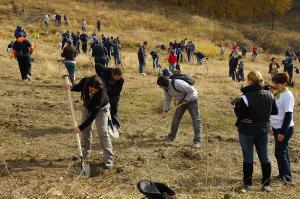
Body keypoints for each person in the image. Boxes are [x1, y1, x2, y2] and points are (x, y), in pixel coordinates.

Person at [233, 71, 278, 192]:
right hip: (263, 129)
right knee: (264, 157)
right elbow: (274, 112)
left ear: (250, 81)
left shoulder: (244, 97)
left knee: (248, 157)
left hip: (247, 130)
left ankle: (248, 184)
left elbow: (240, 115)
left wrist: (236, 107)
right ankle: (266, 184)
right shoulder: (270, 95)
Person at [66, 75, 115, 169]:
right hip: (87, 106)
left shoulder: (101, 95)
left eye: (94, 90)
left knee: (102, 132)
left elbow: (92, 116)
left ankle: (109, 159)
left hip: (101, 109)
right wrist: (71, 87)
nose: (92, 91)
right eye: (91, 89)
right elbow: (77, 87)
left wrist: (80, 127)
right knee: (86, 130)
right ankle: (84, 153)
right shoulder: (85, 81)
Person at [157, 76, 202, 148]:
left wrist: (186, 100)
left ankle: (197, 141)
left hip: (192, 99)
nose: (160, 87)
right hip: (181, 101)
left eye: (160, 86)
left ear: (165, 84)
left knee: (195, 120)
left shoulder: (177, 84)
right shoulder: (166, 89)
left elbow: (191, 90)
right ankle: (171, 137)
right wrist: (165, 111)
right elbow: (167, 100)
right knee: (176, 119)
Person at [270, 73, 295, 183]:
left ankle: (286, 177)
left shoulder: (287, 95)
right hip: (277, 128)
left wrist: (282, 132)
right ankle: (284, 175)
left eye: (277, 83)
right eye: (274, 83)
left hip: (284, 129)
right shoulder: (279, 93)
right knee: (282, 151)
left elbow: (288, 115)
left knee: (279, 152)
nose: (275, 85)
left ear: (284, 83)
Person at [95, 64, 124, 128]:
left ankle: (116, 124)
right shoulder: (107, 72)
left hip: (114, 94)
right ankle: (107, 123)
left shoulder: (121, 80)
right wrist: (100, 76)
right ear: (113, 74)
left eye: (119, 78)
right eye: (116, 77)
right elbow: (97, 65)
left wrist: (113, 99)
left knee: (114, 109)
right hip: (106, 92)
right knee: (106, 109)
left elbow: (118, 91)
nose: (117, 79)